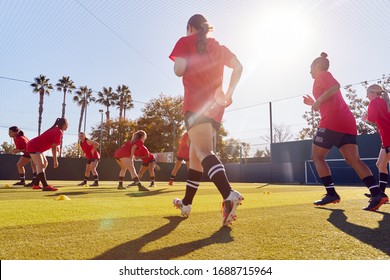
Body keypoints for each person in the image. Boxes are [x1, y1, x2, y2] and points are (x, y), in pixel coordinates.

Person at [169, 14, 244, 226]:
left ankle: (228, 193)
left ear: (189, 28)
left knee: (202, 151)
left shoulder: (185, 41)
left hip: (195, 106)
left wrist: (184, 61)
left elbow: (178, 70)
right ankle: (186, 203)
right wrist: (228, 93)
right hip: (216, 108)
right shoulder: (219, 47)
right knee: (195, 155)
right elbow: (238, 67)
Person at [303, 52, 388, 211]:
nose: (309, 72)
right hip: (347, 123)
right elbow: (330, 100)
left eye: (310, 68)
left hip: (332, 122)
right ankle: (377, 193)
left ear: (317, 66)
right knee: (354, 160)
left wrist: (318, 101)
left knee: (317, 156)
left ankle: (331, 193)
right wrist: (314, 103)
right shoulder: (321, 78)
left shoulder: (322, 74)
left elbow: (335, 87)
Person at [26, 118, 68, 191]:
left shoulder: (56, 129)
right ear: (64, 125)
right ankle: (45, 186)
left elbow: (52, 142)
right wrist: (55, 160)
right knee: (41, 165)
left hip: (37, 147)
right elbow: (53, 147)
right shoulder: (58, 131)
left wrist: (55, 147)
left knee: (44, 164)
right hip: (33, 146)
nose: (67, 126)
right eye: (67, 124)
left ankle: (36, 184)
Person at [362, 84, 390, 197]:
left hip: (388, 138)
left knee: (381, 165)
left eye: (367, 93)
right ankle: (380, 193)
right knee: (380, 164)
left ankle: (379, 194)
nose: (367, 96)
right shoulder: (384, 102)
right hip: (386, 140)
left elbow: (372, 119)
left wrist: (365, 119)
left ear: (373, 93)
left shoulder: (375, 102)